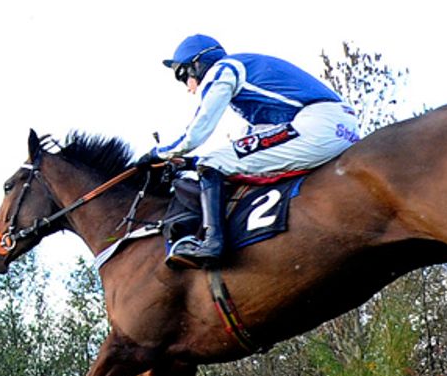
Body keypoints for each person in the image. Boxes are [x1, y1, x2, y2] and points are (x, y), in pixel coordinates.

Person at [138, 34, 360, 271]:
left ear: (198, 64)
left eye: (183, 76)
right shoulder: (248, 79)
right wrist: (191, 163)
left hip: (319, 124)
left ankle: (211, 243)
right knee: (214, 161)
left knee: (213, 162)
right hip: (341, 127)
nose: (189, 88)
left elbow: (195, 134)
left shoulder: (223, 70)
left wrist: (159, 153)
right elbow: (250, 144)